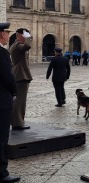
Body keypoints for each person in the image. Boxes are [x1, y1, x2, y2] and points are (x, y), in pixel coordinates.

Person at [0, 22, 21, 183]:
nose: (8, 35)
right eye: (7, 33)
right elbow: (8, 77)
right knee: (1, 137)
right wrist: (14, 91)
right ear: (1, 34)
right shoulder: (2, 53)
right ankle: (2, 172)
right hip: (2, 101)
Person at [9, 28, 33, 131]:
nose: (26, 37)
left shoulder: (15, 45)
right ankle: (17, 123)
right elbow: (27, 46)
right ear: (19, 35)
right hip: (21, 75)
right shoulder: (18, 45)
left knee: (19, 100)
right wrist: (29, 37)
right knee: (20, 101)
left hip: (19, 75)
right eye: (25, 35)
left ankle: (17, 121)